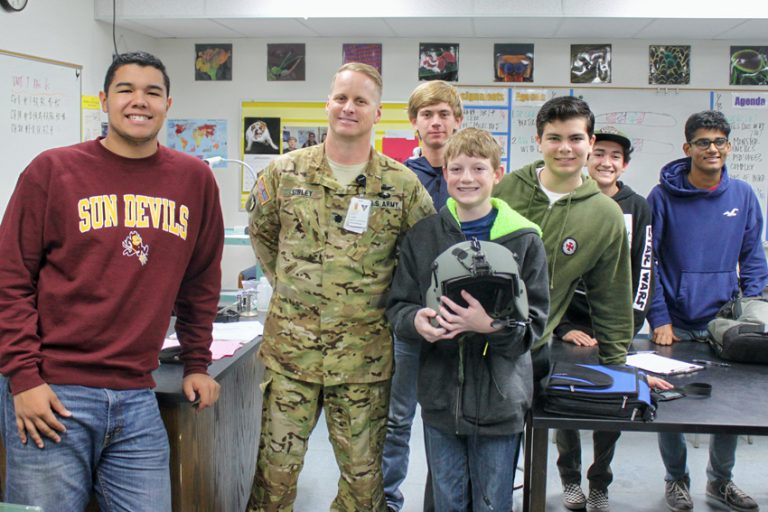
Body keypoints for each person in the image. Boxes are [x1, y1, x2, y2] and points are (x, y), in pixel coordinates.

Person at [0, 51, 223, 511]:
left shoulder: (193, 180)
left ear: (167, 104)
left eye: (152, 92)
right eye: (125, 90)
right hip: (52, 393)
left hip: (137, 399)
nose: (138, 101)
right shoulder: (53, 170)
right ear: (104, 100)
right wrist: (23, 378)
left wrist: (198, 362)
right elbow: (9, 278)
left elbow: (200, 283)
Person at [246, 62, 435, 512]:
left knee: (364, 486)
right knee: (273, 479)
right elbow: (263, 233)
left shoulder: (402, 185)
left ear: (378, 112)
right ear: (328, 104)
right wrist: (293, 286)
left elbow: (424, 255)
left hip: (363, 361)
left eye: (360, 101)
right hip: (292, 356)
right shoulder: (284, 172)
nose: (349, 108)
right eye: (341, 98)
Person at [493, 96, 671, 512]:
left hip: (535, 355)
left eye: (575, 138)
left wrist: (618, 367)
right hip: (483, 347)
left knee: (536, 442)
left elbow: (612, 295)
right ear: (538, 140)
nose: (565, 148)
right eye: (554, 138)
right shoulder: (506, 192)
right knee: (495, 457)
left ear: (589, 142)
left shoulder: (606, 215)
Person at [386, 127, 549, 512]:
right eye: (456, 169)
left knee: (492, 503)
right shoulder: (423, 236)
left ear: (498, 173)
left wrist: (489, 326)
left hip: (501, 402)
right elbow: (399, 306)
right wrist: (417, 322)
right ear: (445, 174)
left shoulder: (525, 240)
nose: (466, 178)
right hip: (441, 399)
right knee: (448, 500)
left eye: (478, 168)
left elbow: (536, 325)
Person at [648, 110, 767, 512]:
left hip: (725, 325)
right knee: (671, 405)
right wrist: (659, 318)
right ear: (688, 148)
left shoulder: (743, 196)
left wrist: (752, 315)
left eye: (719, 141)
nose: (712, 148)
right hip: (675, 325)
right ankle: (676, 480)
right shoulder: (661, 197)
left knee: (730, 409)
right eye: (703, 142)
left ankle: (721, 482)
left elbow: (753, 259)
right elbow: (650, 263)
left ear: (728, 147)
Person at [551, 126, 655, 512]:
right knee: (564, 403)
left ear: (624, 164)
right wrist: (563, 327)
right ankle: (570, 480)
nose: (606, 162)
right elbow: (551, 272)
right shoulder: (567, 200)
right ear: (588, 156)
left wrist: (627, 326)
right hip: (568, 329)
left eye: (616, 156)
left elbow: (644, 270)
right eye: (600, 153)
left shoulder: (638, 207)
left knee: (612, 405)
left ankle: (599, 483)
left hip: (616, 328)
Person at [382, 79, 463, 512]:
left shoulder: (470, 176)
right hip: (410, 319)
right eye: (427, 114)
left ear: (457, 120)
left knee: (446, 423)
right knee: (397, 420)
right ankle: (388, 501)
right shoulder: (398, 178)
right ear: (414, 123)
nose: (436, 122)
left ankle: (441, 503)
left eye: (444, 113)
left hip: (459, 322)